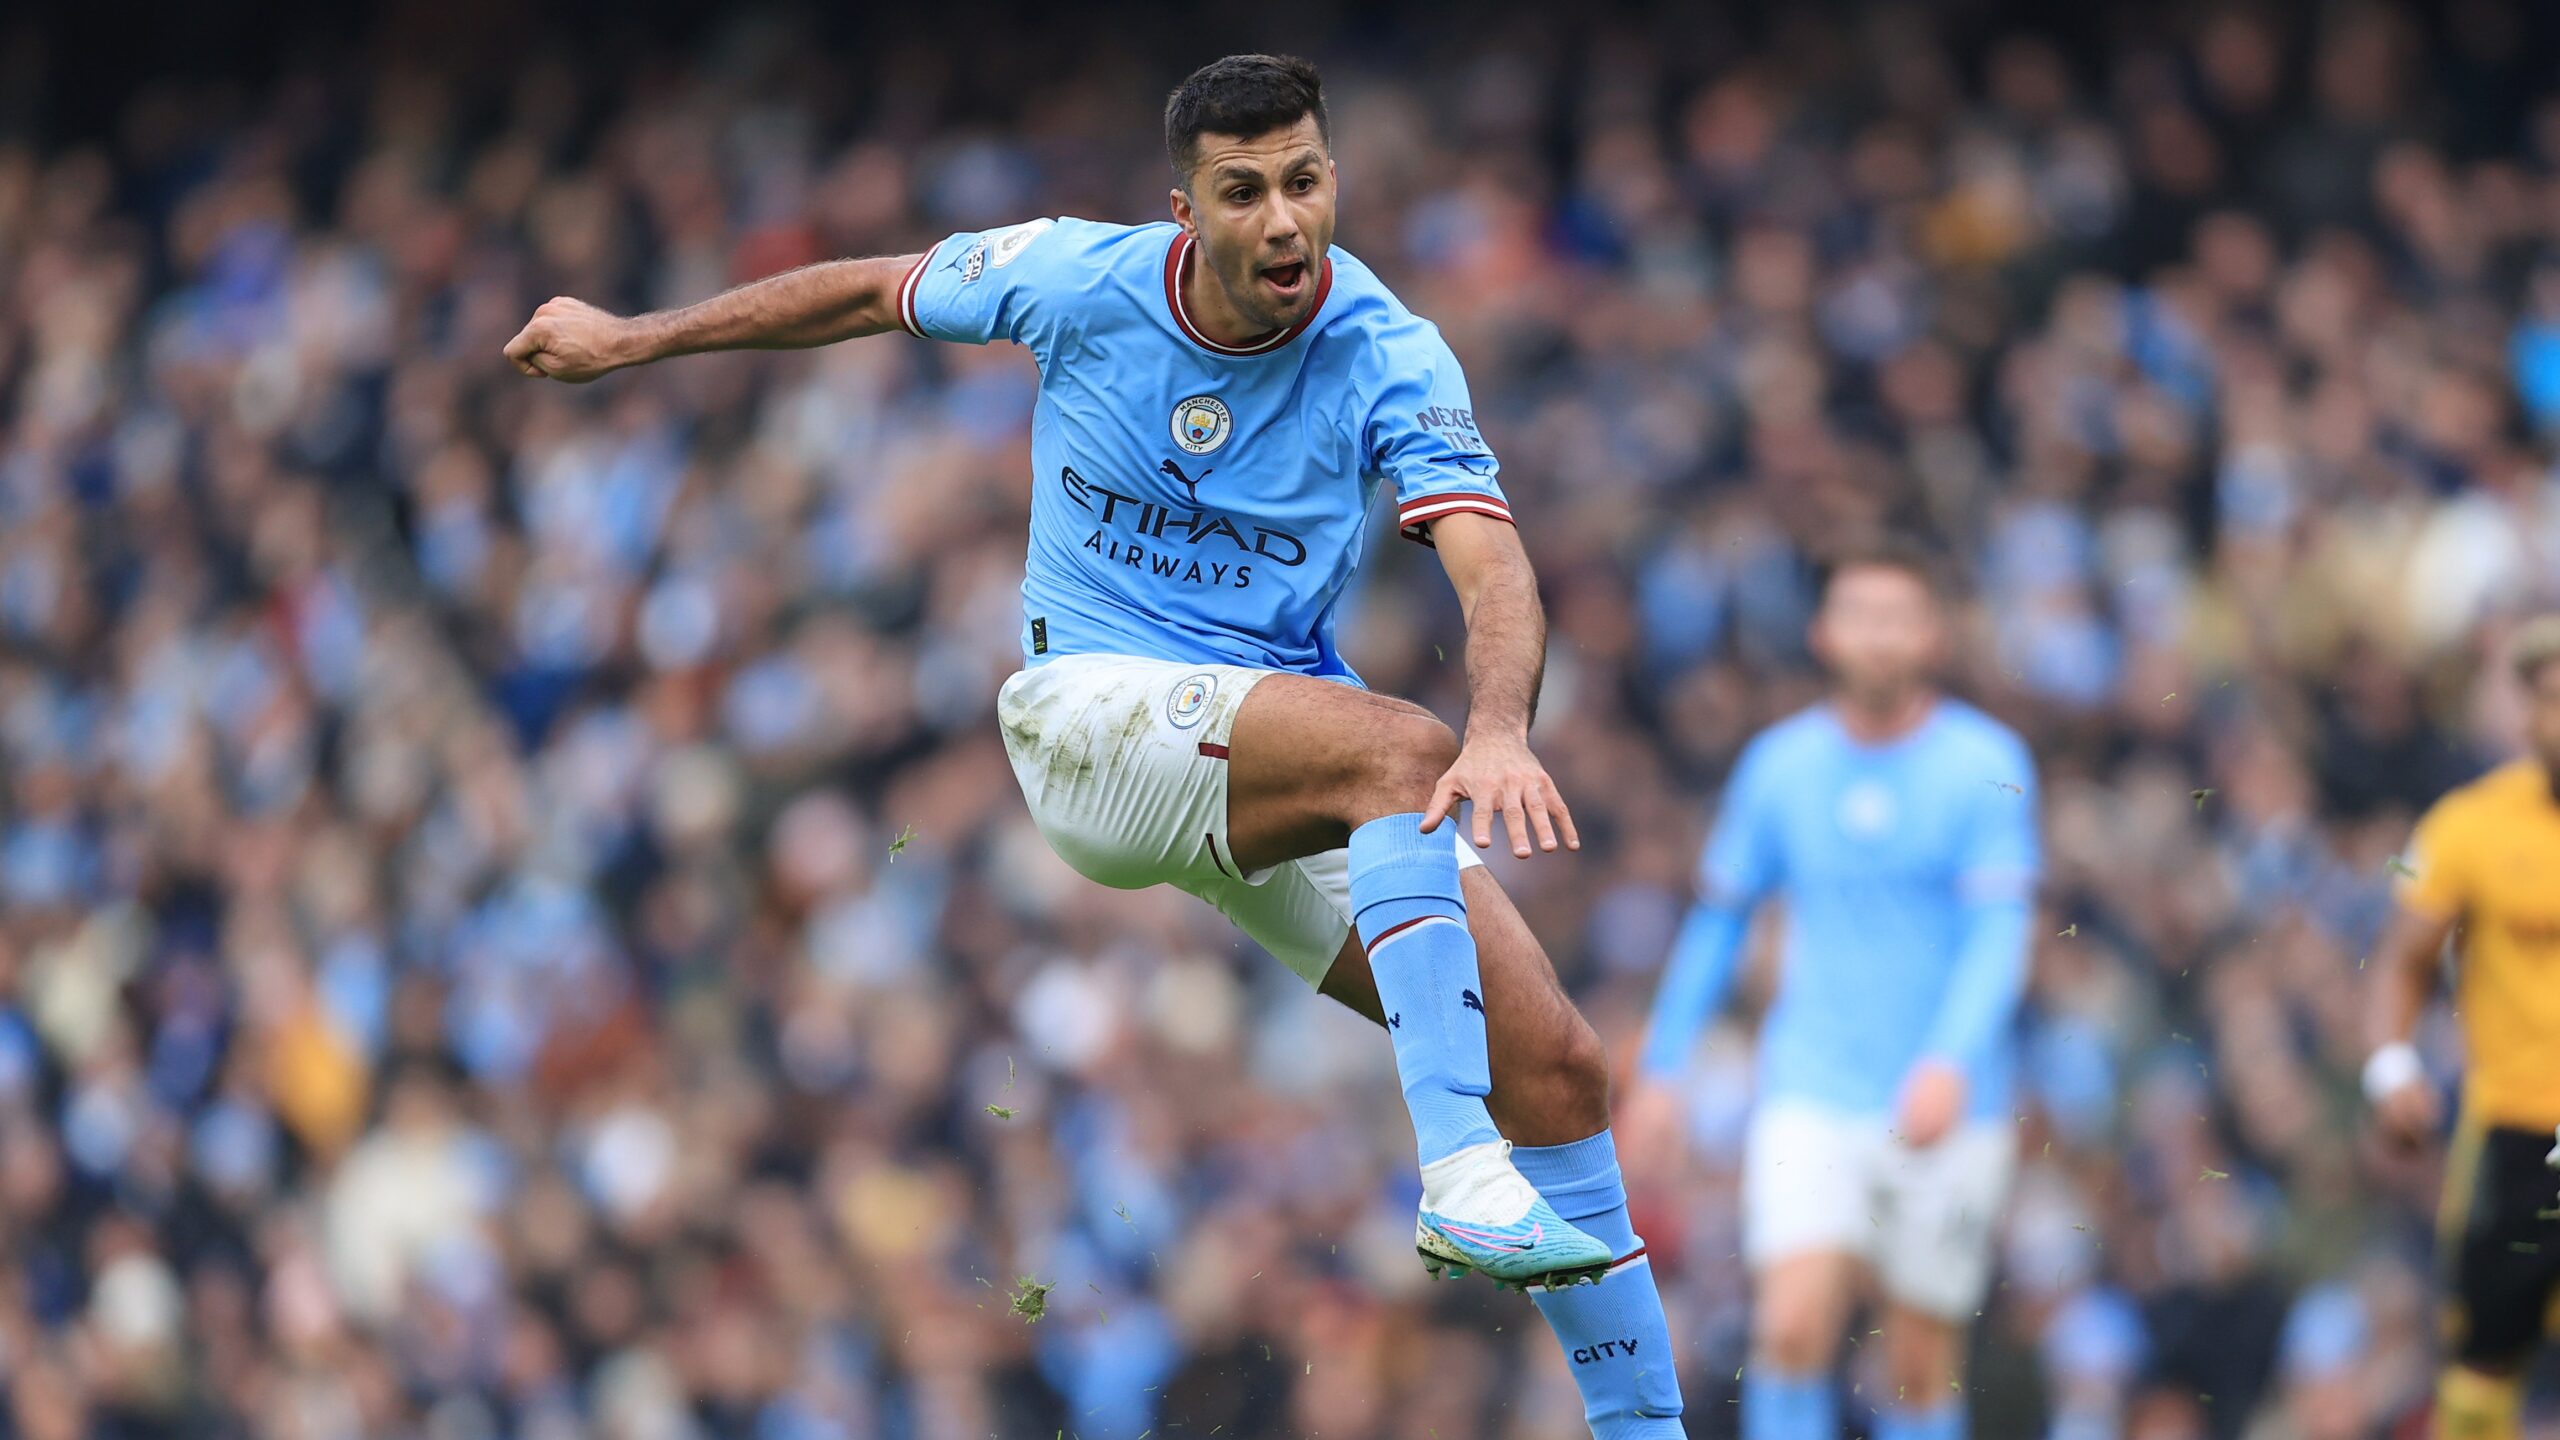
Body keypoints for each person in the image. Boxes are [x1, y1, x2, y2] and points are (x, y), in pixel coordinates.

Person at [502, 52, 1683, 1437]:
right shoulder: (1075, 277)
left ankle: (1646, 1428)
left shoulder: (1390, 350)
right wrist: (631, 339)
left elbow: (1490, 561)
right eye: (1242, 193)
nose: (1283, 221)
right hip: (1088, 720)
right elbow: (867, 291)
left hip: (1269, 761)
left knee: (1558, 1064)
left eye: (1304, 181)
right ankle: (1457, 1169)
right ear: (1184, 209)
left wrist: (1502, 730)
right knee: (1402, 753)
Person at [1628, 543, 2040, 1440]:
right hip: (1811, 1088)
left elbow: (1999, 933)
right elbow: (1720, 920)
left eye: (1898, 619)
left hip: (1946, 1099)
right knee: (1790, 1326)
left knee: (1918, 1362)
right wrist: (1664, 1067)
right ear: (1824, 633)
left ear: (1932, 636)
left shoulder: (1986, 762)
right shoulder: (1780, 766)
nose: (1879, 638)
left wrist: (1949, 1061)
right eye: (1861, 616)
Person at [2365, 615, 2560, 1440]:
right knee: (2481, 1367)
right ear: (2527, 712)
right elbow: (2402, 957)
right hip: (2515, 1128)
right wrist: (2390, 1066)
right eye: (2551, 698)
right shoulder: (2466, 825)